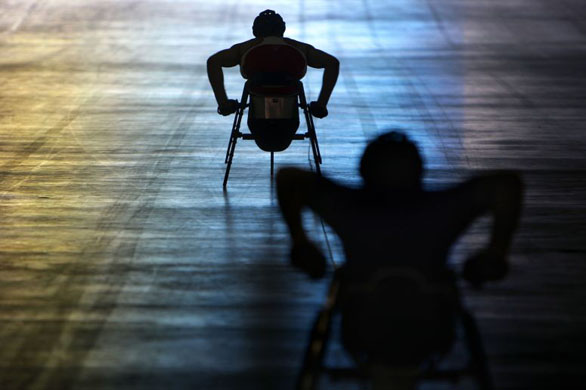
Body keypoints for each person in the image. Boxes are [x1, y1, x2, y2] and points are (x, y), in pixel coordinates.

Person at [276, 131, 523, 388]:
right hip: (432, 330)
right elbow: (507, 185)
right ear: (419, 172)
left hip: (362, 328)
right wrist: (496, 251)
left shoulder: (349, 207)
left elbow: (290, 178)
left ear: (364, 172)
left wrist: (300, 241)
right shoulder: (442, 209)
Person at [207, 10, 339, 118]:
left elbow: (213, 61)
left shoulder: (244, 48)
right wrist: (321, 104)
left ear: (255, 31)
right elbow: (332, 63)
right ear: (282, 29)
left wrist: (223, 103)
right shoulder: (300, 47)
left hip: (257, 89)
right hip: (290, 89)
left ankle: (224, 104)